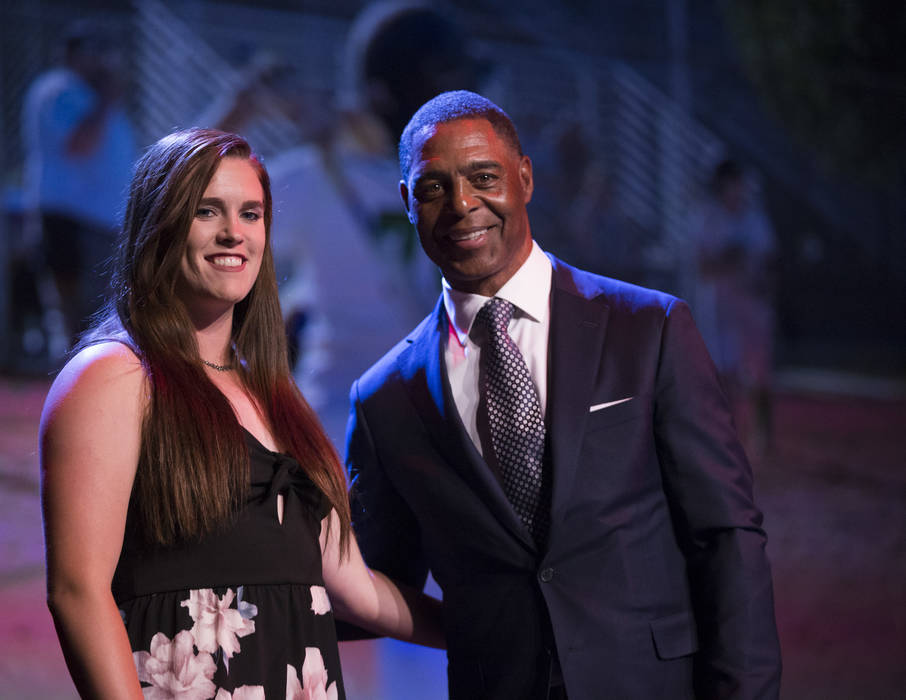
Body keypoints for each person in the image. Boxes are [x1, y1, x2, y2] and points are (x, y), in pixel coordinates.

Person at [345, 92, 781, 699]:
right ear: (407, 202)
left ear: (524, 178)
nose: (463, 204)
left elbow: (726, 534)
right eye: (434, 187)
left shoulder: (647, 328)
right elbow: (365, 583)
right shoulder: (385, 397)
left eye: (484, 177)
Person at [39, 128, 442, 699]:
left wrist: (485, 631)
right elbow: (78, 590)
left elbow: (354, 588)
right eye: (208, 211)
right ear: (160, 226)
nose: (235, 232)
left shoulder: (275, 395)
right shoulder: (114, 376)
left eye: (251, 214)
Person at [261, 2, 487, 444]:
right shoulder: (320, 174)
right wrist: (239, 109)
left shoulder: (469, 182)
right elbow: (180, 214)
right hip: (338, 429)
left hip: (429, 421)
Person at [22, 20, 138, 357]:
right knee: (78, 321)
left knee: (99, 319)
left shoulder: (90, 96)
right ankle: (72, 396)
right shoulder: (59, 89)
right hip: (72, 221)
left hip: (99, 222)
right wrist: (106, 100)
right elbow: (79, 144)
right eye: (94, 53)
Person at [687, 159, 778, 454]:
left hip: (751, 304)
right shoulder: (708, 219)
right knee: (724, 373)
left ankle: (764, 436)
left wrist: (765, 282)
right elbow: (703, 268)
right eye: (733, 183)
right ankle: (728, 435)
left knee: (761, 371)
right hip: (721, 307)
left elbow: (770, 262)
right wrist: (730, 258)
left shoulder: (754, 219)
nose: (739, 190)